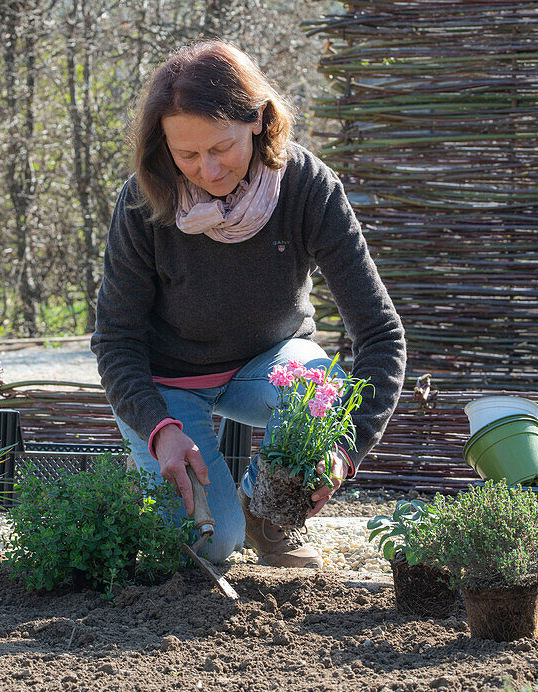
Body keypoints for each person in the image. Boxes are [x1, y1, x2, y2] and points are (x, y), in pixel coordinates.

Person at [91, 40, 406, 568]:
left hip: (268, 366)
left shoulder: (309, 189)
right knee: (209, 546)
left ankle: (268, 512)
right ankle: (161, 485)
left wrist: (343, 449)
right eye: (186, 154)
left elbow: (380, 333)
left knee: (318, 388)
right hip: (168, 384)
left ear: (258, 119)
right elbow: (116, 340)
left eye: (221, 148)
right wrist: (158, 430)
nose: (208, 171)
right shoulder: (143, 200)